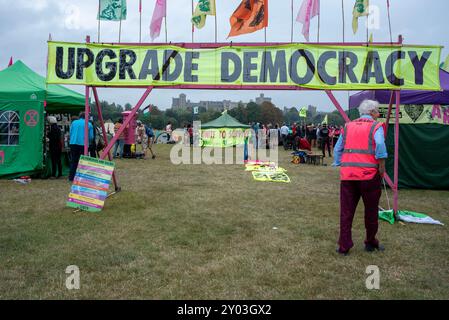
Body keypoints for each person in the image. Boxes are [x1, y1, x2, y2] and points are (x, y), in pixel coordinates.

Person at [333, 100, 388, 256]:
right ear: (371, 112)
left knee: (346, 212)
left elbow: (338, 148)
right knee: (371, 211)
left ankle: (344, 246)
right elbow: (380, 145)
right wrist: (382, 167)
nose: (378, 114)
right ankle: (370, 242)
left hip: (348, 176)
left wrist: (339, 163)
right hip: (369, 176)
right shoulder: (375, 126)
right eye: (377, 111)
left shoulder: (348, 126)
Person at [68, 112, 93, 181]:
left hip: (73, 143)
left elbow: (70, 132)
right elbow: (91, 137)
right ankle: (82, 177)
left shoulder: (74, 122)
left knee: (74, 160)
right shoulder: (89, 124)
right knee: (83, 161)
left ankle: (71, 177)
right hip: (83, 144)